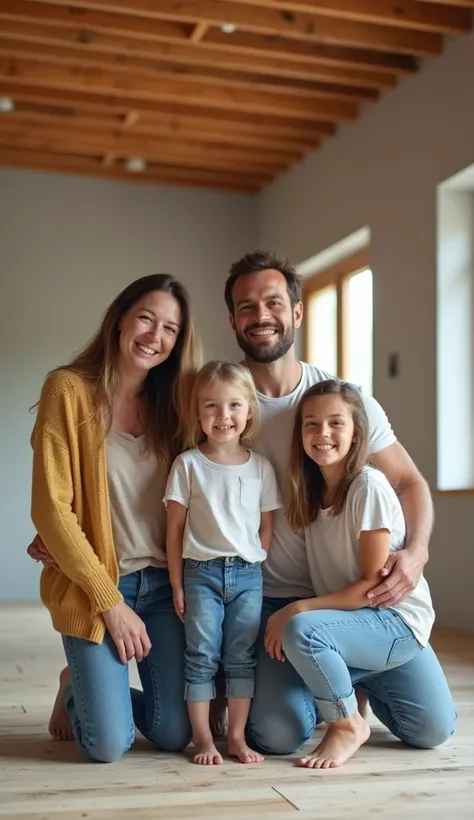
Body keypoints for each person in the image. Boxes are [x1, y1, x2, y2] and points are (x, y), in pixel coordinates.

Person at [223, 249, 456, 755]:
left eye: (273, 302)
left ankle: (352, 684)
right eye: (246, 306)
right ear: (233, 320)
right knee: (278, 735)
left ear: (296, 313)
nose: (261, 316)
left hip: (356, 600)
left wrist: (415, 553)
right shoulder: (221, 403)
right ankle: (327, 696)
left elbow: (410, 482)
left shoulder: (340, 401)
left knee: (432, 729)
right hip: (269, 599)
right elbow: (169, 481)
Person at [29, 273, 202, 762]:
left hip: (165, 591)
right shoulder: (67, 390)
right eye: (146, 318)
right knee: (108, 745)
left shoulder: (177, 406)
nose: (155, 336)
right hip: (97, 587)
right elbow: (51, 506)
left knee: (174, 734)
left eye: (170, 329)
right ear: (120, 320)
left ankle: (82, 687)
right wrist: (109, 601)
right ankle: (76, 687)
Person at [264, 379, 437, 768]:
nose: (322, 434)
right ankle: (350, 691)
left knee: (430, 729)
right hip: (350, 625)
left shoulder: (368, 486)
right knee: (427, 728)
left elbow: (372, 590)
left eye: (335, 423)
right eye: (311, 424)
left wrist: (295, 609)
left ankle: (346, 726)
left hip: (390, 618)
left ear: (357, 431)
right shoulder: (311, 492)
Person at [165, 361, 281, 766]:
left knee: (240, 657)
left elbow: (266, 526)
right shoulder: (188, 465)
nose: (223, 416)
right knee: (201, 655)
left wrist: (255, 559)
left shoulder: (261, 466)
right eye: (211, 406)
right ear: (198, 413)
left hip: (248, 576)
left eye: (234, 405)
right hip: (201, 575)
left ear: (249, 409)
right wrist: (178, 585)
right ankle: (202, 739)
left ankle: (235, 735)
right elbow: (174, 531)